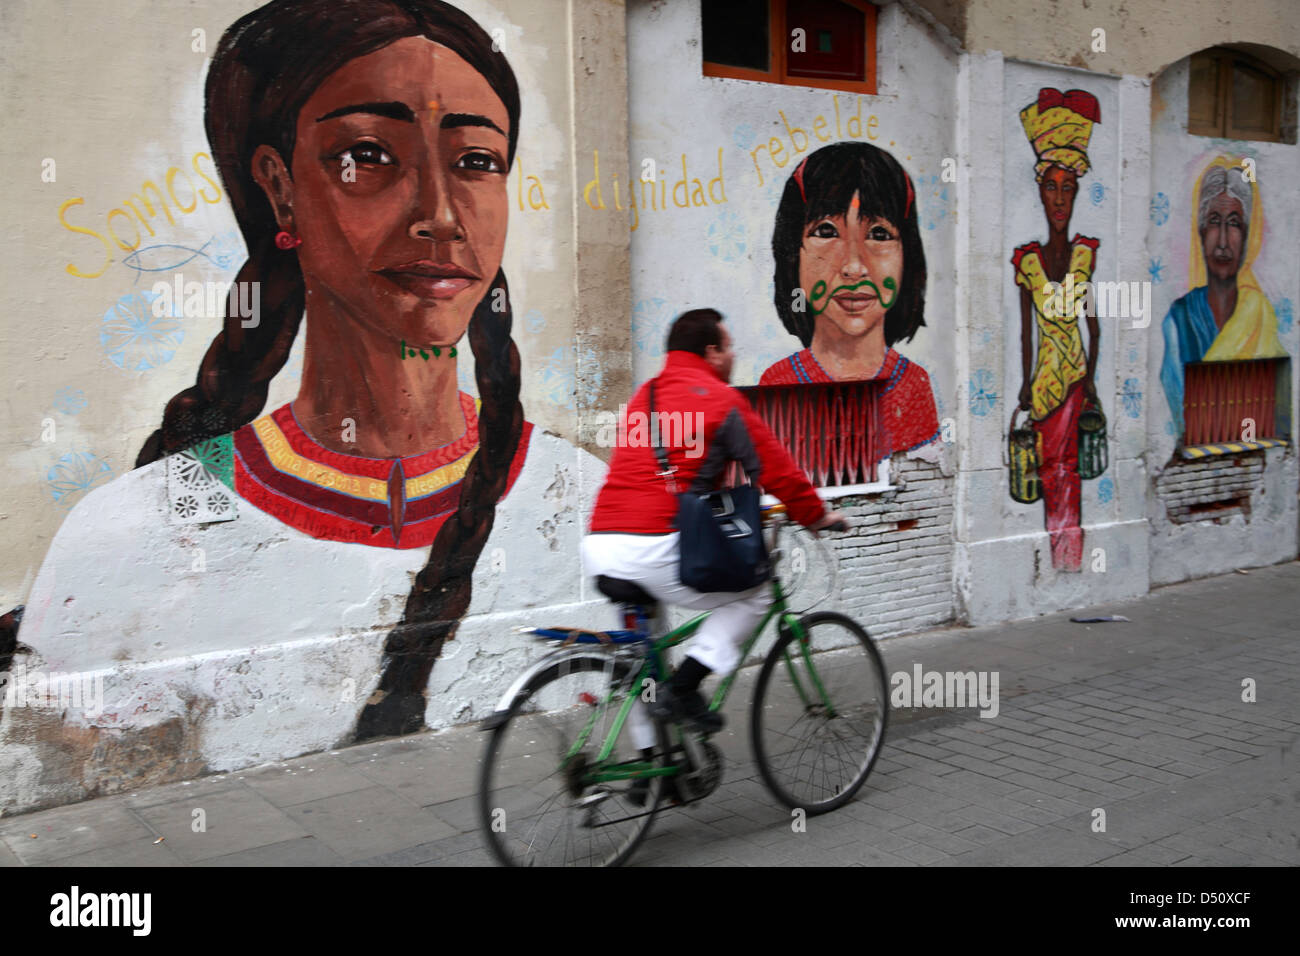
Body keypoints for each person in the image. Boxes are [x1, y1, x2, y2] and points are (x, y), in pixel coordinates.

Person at [7, 0, 603, 806]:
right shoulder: (128, 535)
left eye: (475, 162)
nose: (438, 214)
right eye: (368, 154)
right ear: (279, 187)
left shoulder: (580, 496)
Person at [582, 309, 846, 738]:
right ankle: (686, 687)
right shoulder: (720, 399)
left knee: (641, 660)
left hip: (602, 546)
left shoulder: (643, 397)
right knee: (753, 596)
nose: (733, 354)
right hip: (655, 545)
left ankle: (650, 767)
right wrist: (816, 514)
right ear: (711, 352)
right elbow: (775, 469)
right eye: (729, 346)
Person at [760, 142, 939, 457]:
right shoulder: (779, 384)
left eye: (880, 235)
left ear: (906, 256)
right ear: (793, 255)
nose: (854, 267)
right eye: (826, 232)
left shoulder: (913, 386)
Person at [1011, 87, 1103, 573]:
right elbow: (1026, 334)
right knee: (1050, 471)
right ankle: (1060, 556)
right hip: (1045, 383)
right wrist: (1025, 384)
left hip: (1075, 380)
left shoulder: (1085, 254)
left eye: (1069, 187)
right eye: (1052, 187)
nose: (1060, 198)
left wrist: (1091, 379)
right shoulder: (1028, 261)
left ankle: (1071, 557)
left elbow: (1094, 325)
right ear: (1040, 190)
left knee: (1069, 468)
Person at [1160, 158, 1287, 439]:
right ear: (1201, 231)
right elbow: (1183, 421)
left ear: (1247, 236)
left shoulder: (1260, 316)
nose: (1222, 242)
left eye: (1234, 224)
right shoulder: (1178, 321)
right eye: (1214, 222)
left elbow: (1270, 410)